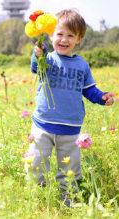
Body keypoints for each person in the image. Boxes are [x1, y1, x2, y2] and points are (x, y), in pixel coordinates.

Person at [27, 9, 114, 207]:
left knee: (70, 170)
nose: (64, 39)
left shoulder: (82, 65)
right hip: (43, 125)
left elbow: (90, 91)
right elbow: (35, 67)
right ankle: (39, 198)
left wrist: (102, 97)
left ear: (79, 39)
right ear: (50, 35)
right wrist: (37, 53)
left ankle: (69, 202)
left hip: (70, 129)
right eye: (59, 34)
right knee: (36, 163)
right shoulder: (47, 58)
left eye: (70, 35)